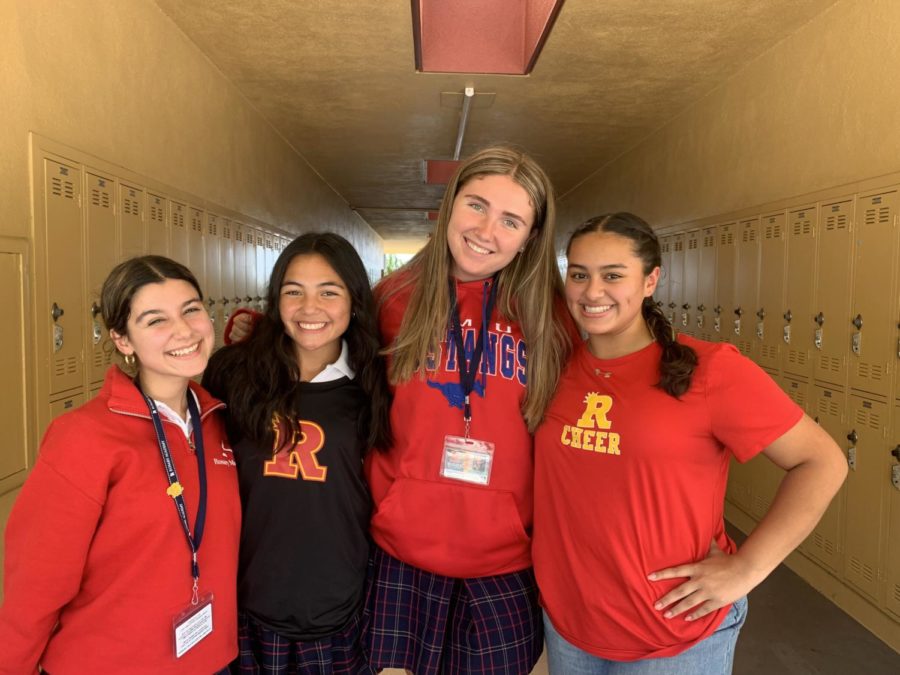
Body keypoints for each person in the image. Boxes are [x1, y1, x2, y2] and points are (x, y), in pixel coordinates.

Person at [532, 213, 848, 674]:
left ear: (650, 280)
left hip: (674, 634)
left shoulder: (711, 370)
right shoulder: (553, 369)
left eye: (613, 275)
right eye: (579, 274)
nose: (592, 291)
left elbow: (821, 461)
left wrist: (747, 570)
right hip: (570, 626)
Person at [363, 146, 573, 674]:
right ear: (450, 204)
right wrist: (254, 332)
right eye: (476, 205)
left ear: (530, 236)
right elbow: (320, 352)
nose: (487, 230)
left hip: (503, 557)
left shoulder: (551, 318)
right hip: (403, 543)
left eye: (511, 220)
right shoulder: (392, 299)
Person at [0, 256, 240, 675]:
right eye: (155, 320)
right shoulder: (83, 437)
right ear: (122, 339)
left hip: (209, 658)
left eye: (191, 309)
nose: (184, 330)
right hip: (109, 662)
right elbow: (35, 586)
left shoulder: (216, 419)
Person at [203, 232, 391, 675]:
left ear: (354, 298)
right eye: (294, 292)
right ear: (275, 298)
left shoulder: (378, 383)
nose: (310, 308)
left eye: (329, 291)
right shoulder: (233, 372)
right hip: (245, 597)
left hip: (336, 603)